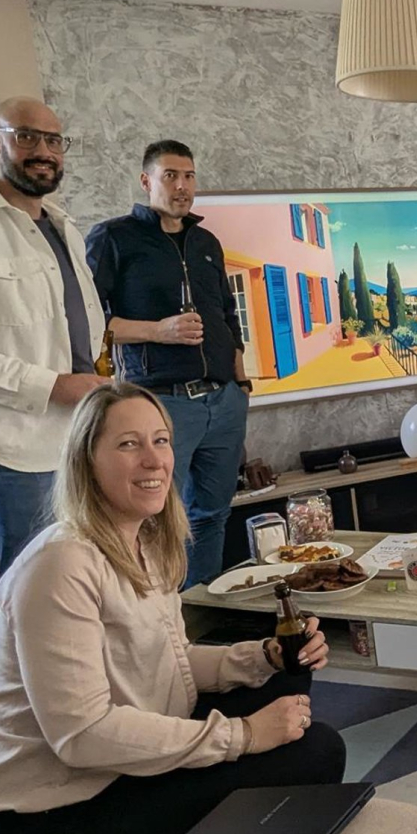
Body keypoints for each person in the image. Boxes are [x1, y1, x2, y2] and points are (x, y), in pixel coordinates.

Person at [0, 383, 343, 834]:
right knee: (318, 750)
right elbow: (82, 736)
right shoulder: (59, 564)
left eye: (161, 441)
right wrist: (245, 735)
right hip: (53, 807)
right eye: (128, 444)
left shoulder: (145, 541)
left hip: (121, 761)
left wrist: (265, 657)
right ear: (86, 460)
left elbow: (169, 661)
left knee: (288, 677)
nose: (154, 460)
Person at [87, 140, 252, 586]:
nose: (182, 186)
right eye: (170, 176)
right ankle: (157, 616)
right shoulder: (113, 238)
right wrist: (158, 330)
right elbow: (88, 323)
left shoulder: (206, 242)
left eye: (189, 176)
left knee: (213, 515)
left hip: (224, 402)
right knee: (154, 522)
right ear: (147, 181)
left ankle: (200, 612)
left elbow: (228, 316)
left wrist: (241, 386)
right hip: (162, 405)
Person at [0, 97, 108, 576]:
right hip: (13, 452)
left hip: (79, 438)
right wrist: (51, 385)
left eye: (54, 141)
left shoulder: (63, 227)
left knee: (84, 576)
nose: (44, 151)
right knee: (34, 583)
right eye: (26, 137)